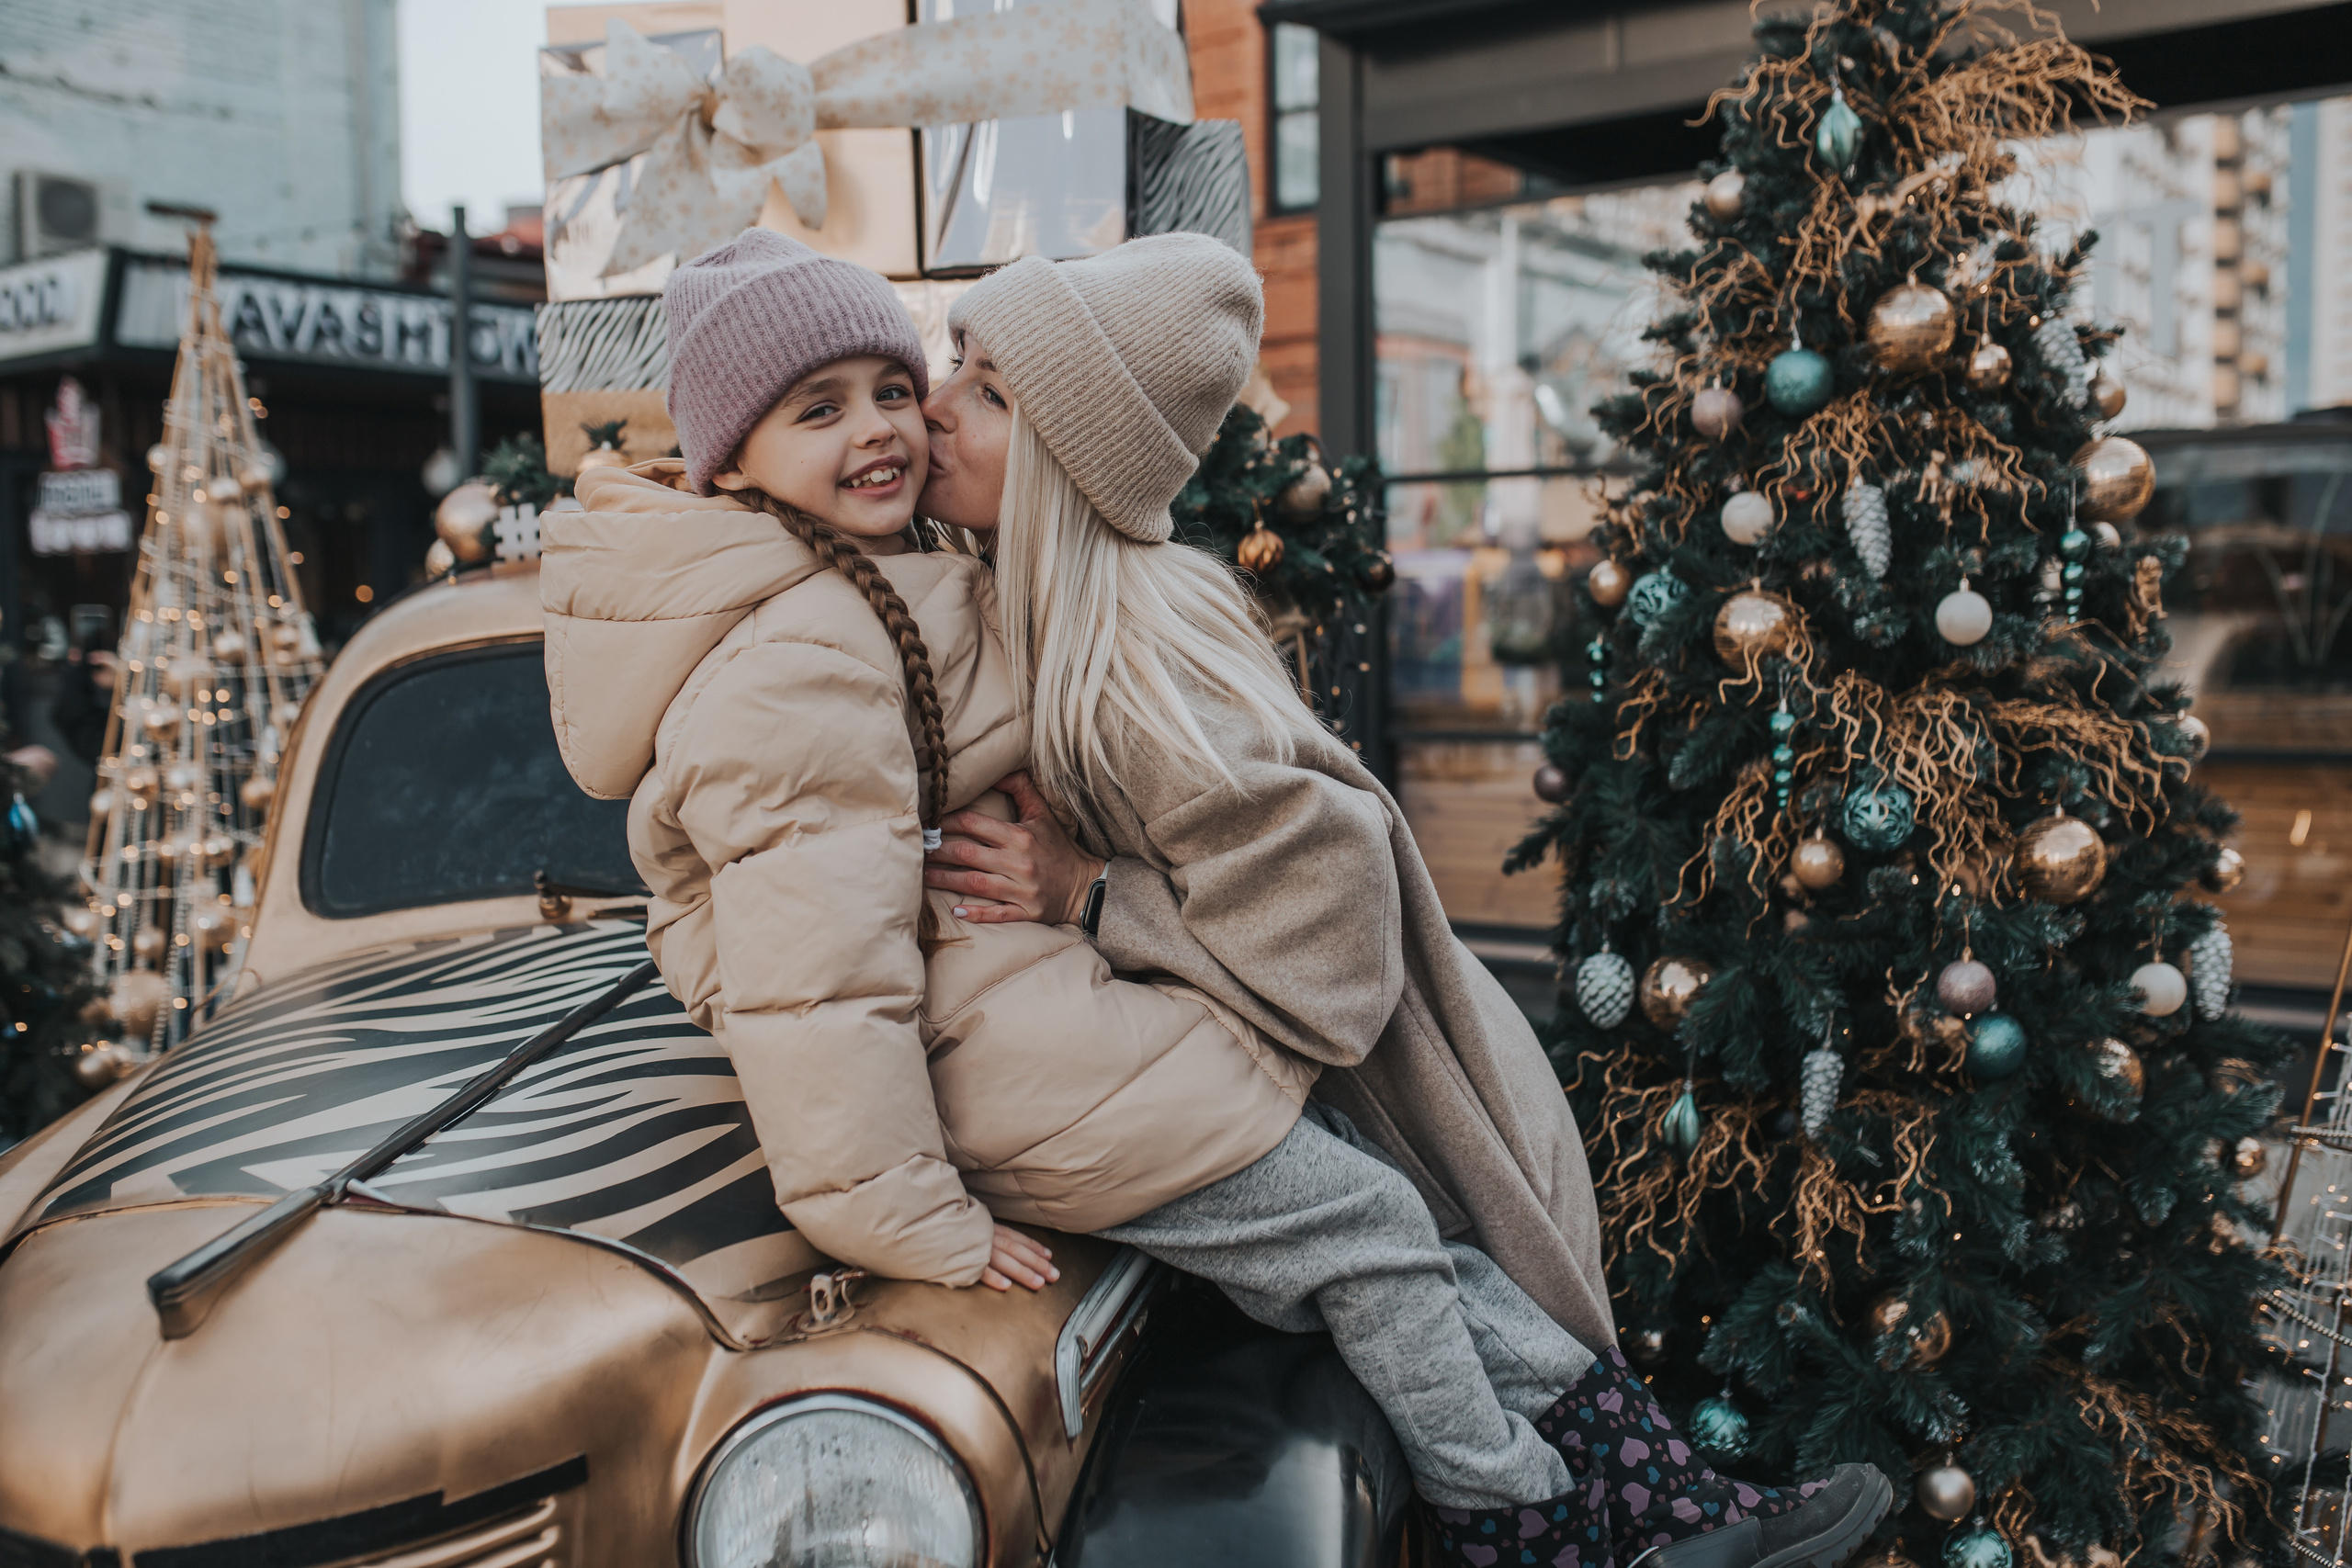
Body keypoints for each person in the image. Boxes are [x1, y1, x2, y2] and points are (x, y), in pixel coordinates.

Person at [913, 233, 1892, 1567]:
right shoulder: (1014, 602)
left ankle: (1583, 1531)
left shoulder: (1127, 660)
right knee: (1415, 1242)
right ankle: (1679, 1515)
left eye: (986, 390)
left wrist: (1091, 894)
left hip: (1182, 1045)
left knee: (1393, 1232)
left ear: (1065, 461)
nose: (933, 404)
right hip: (1117, 1048)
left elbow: (1325, 921)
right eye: (953, 362)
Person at [539, 231, 1312, 1296]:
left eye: (894, 389)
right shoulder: (800, 662)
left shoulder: (896, 576)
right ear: (732, 458)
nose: (879, 427)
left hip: (1017, 1007)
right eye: (820, 409)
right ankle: (1540, 1413)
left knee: (1360, 1203)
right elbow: (820, 987)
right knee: (1368, 1226)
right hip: (999, 1066)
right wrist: (908, 1219)